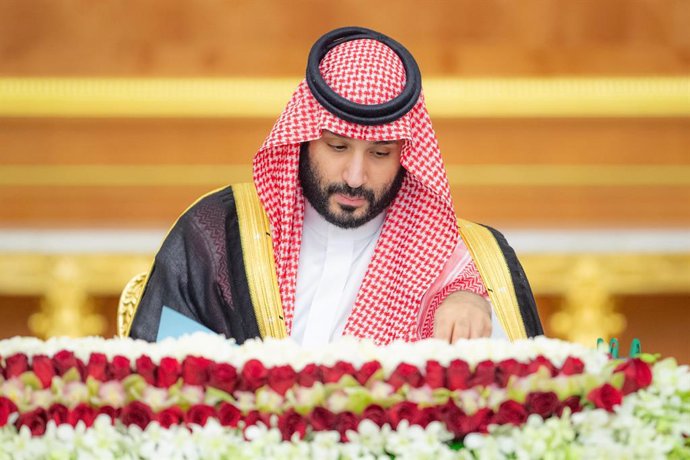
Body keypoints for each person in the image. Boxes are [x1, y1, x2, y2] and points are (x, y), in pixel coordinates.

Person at [129, 27, 542, 345]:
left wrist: (474, 310)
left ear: (406, 155)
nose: (355, 177)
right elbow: (158, 384)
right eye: (338, 146)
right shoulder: (219, 231)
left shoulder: (464, 262)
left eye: (380, 154)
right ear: (305, 137)